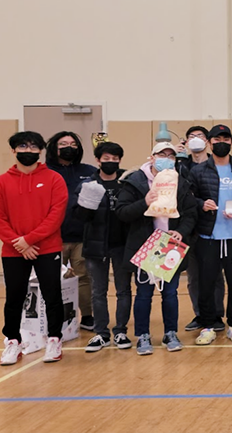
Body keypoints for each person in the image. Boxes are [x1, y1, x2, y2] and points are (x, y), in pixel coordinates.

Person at [115, 142, 197, 356]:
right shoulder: (134, 181)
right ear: (152, 157)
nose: (166, 159)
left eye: (171, 156)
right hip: (145, 246)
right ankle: (143, 335)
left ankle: (171, 333)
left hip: (170, 246)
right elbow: (122, 212)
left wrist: (181, 232)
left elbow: (190, 213)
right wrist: (144, 202)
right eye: (162, 154)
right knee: (144, 294)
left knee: (170, 293)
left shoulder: (180, 182)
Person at [1, 132, 68, 365]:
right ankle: (12, 341)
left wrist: (29, 239)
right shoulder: (3, 181)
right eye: (22, 146)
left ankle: (54, 339)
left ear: (40, 151)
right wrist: (19, 243)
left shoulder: (54, 179)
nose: (28, 151)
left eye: (33, 147)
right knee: (14, 297)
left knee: (52, 295)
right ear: (13, 150)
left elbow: (56, 215)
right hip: (13, 250)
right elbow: (0, 218)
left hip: (47, 248)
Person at [190, 125, 232, 346]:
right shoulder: (199, 171)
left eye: (226, 139)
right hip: (208, 237)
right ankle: (207, 326)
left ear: (231, 143)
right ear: (209, 143)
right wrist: (201, 204)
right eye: (217, 140)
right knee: (206, 284)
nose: (221, 143)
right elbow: (188, 198)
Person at [71, 142, 132, 352]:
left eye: (115, 159)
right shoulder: (88, 184)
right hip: (96, 246)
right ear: (98, 160)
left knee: (124, 290)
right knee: (98, 291)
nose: (111, 162)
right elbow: (78, 216)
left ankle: (121, 331)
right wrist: (87, 204)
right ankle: (101, 333)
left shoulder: (127, 182)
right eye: (106, 159)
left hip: (122, 245)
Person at [45, 131, 98, 331]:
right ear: (54, 147)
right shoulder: (44, 171)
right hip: (52, 237)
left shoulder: (89, 171)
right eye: (63, 144)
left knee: (84, 277)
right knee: (52, 279)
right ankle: (53, 319)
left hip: (82, 236)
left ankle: (87, 316)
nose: (69, 147)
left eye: (73, 144)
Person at [180, 124, 225, 333]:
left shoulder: (217, 163)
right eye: (191, 136)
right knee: (194, 276)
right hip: (189, 229)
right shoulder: (181, 165)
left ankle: (216, 315)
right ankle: (200, 314)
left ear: (207, 141)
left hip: (214, 226)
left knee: (215, 274)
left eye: (199, 136)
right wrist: (177, 158)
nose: (195, 139)